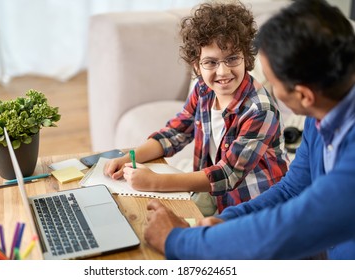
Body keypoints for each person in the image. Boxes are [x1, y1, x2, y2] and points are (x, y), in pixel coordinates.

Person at [143, 0, 355, 260]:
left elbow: (292, 227)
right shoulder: (320, 114)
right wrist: (226, 222)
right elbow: (292, 189)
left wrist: (177, 241)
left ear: (303, 95)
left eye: (273, 82)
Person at [104, 0, 289, 214]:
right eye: (211, 62)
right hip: (213, 193)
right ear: (196, 65)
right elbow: (176, 132)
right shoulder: (203, 88)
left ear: (246, 58)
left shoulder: (260, 110)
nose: (222, 72)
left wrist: (155, 182)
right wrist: (126, 157)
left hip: (254, 203)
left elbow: (227, 175)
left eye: (232, 59)